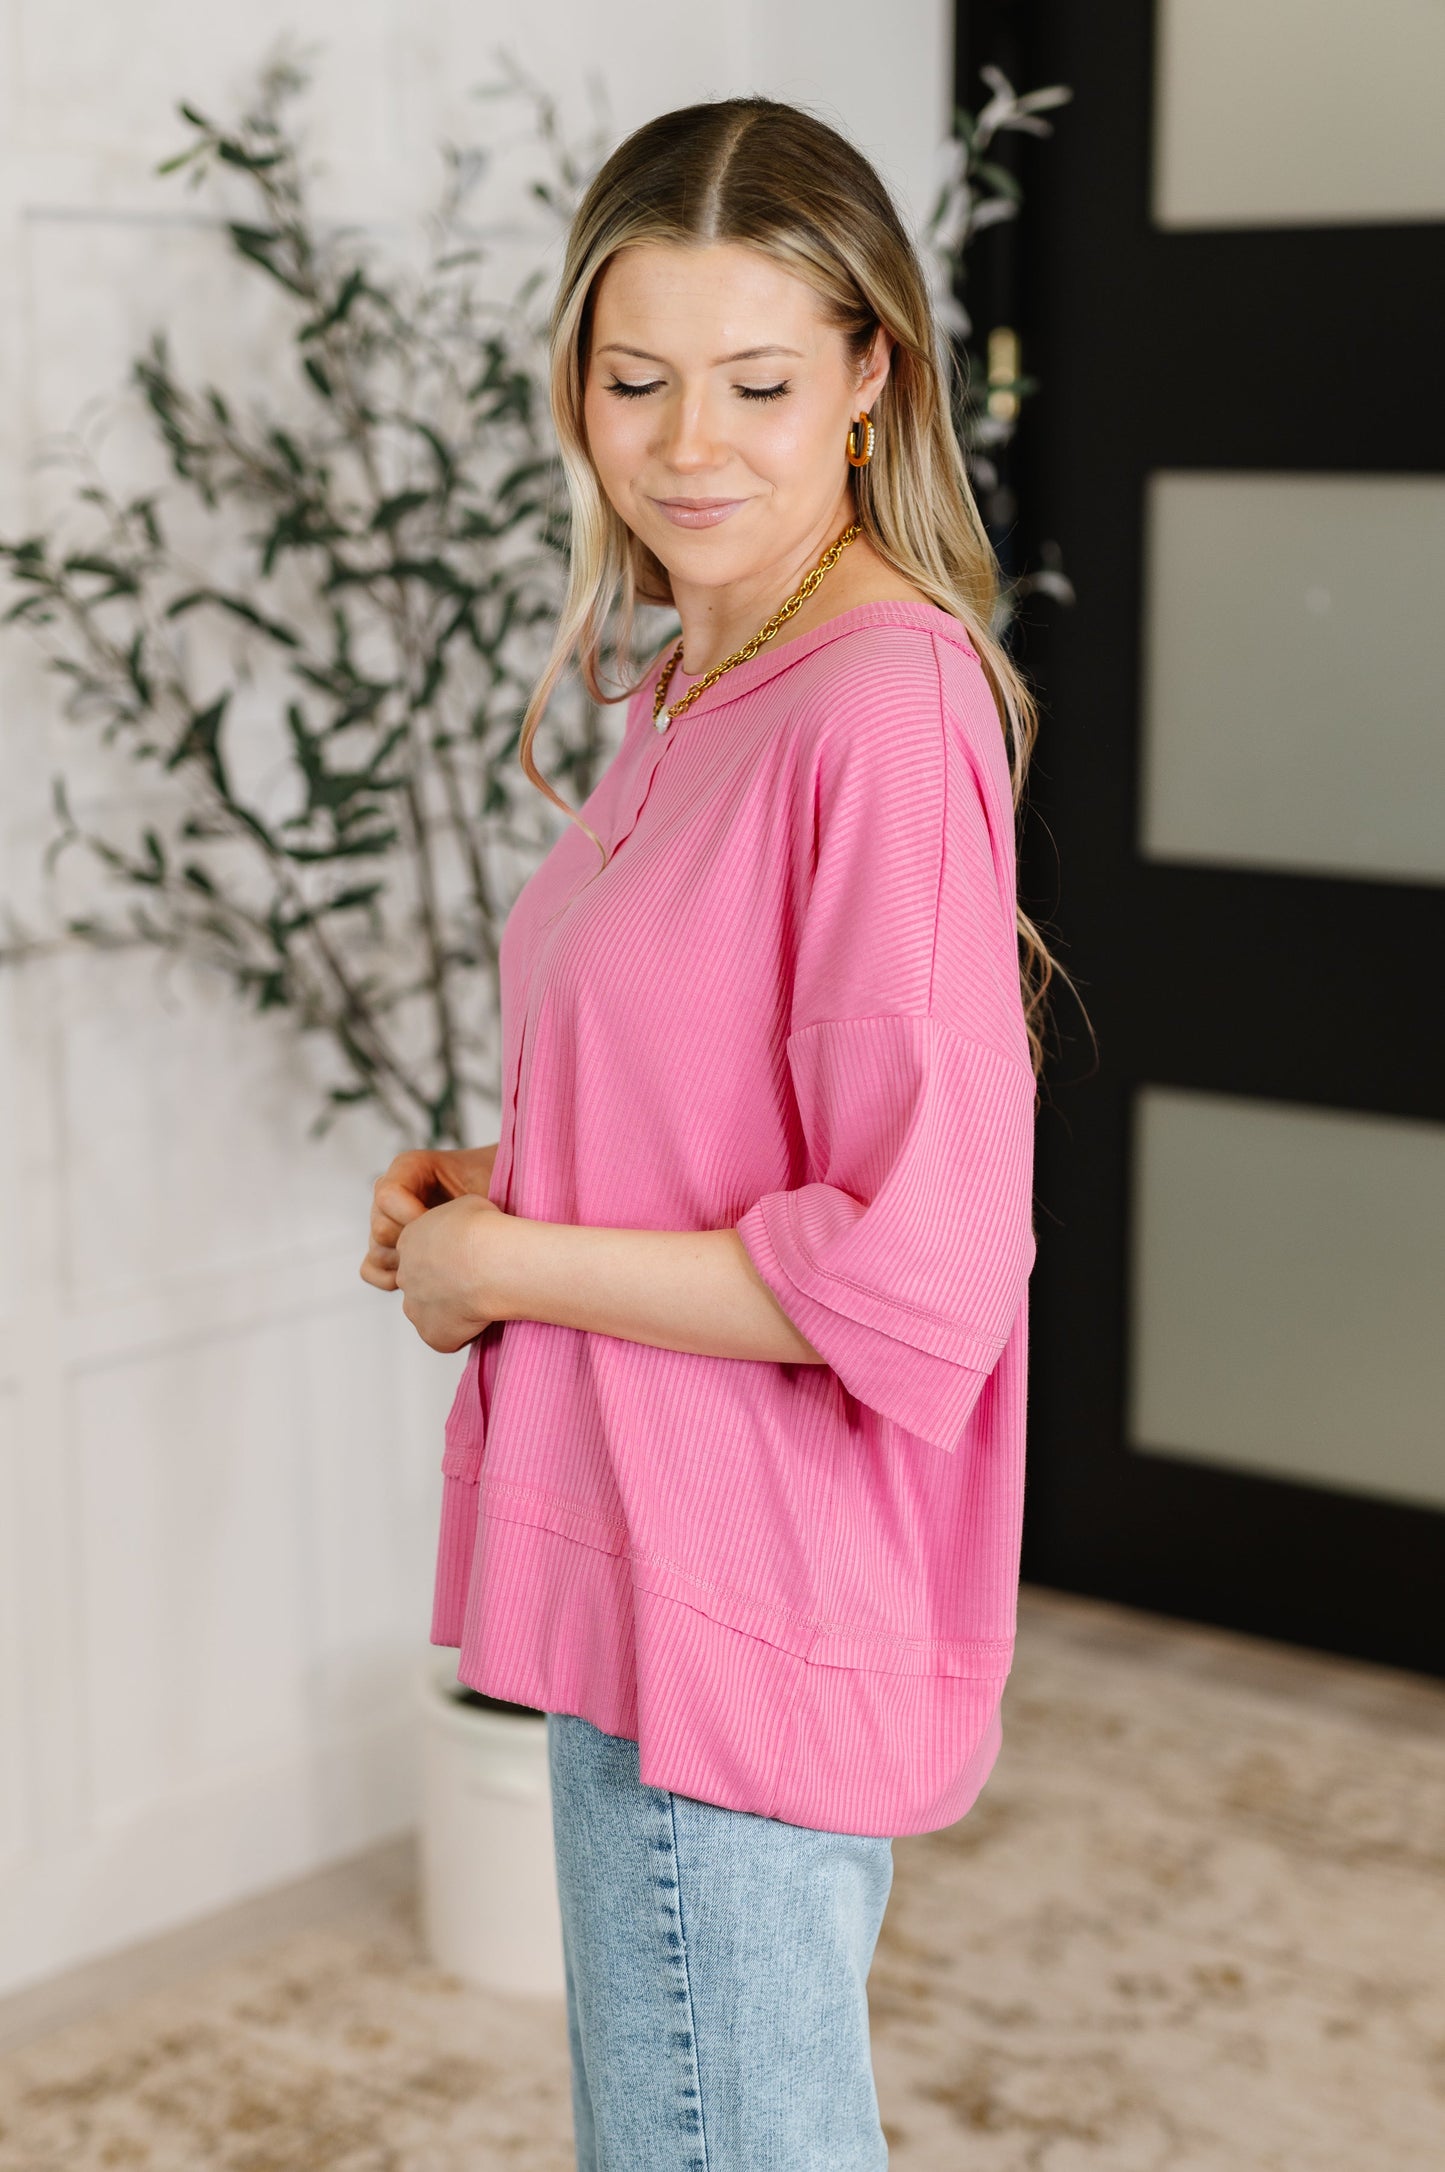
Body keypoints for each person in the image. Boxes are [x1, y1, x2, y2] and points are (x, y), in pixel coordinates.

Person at [361, 95, 1058, 2172]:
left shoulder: (878, 704)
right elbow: (738, 1123)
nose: (688, 447)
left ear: (869, 378)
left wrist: (510, 1268)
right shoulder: (697, 670)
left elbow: (920, 1263)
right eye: (635, 379)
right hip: (654, 1560)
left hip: (747, 1596)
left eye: (756, 383)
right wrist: (506, 1191)